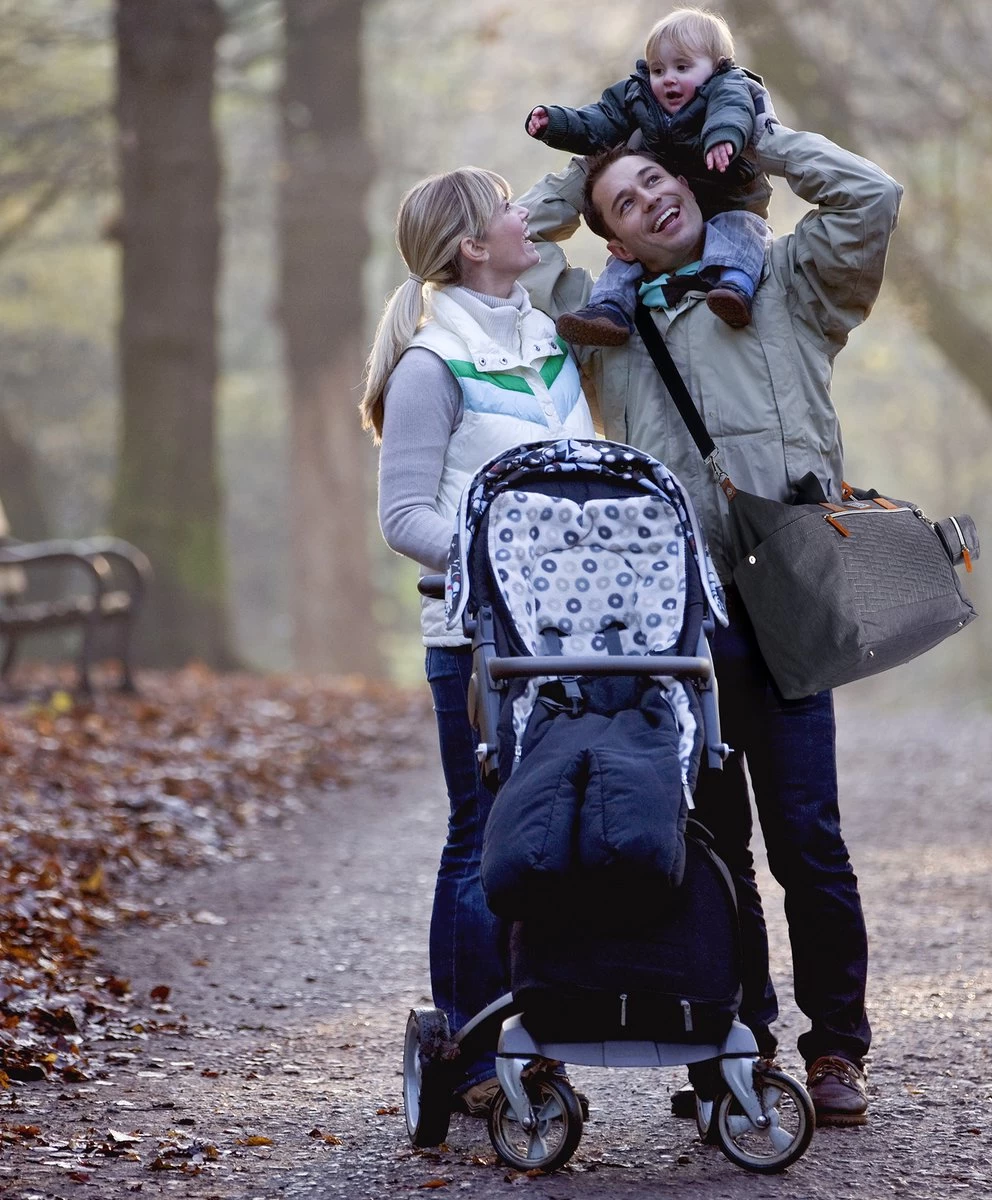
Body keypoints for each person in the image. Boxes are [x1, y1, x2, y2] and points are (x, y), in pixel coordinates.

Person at [515, 126, 903, 1126]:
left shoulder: (788, 283)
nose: (649, 200)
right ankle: (733, 1043)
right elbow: (517, 238)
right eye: (624, 204)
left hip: (792, 598)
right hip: (683, 617)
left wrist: (756, 143)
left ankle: (836, 1051)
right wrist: (590, 154)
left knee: (808, 837)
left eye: (656, 180)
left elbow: (873, 199)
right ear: (616, 243)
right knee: (713, 841)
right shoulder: (601, 325)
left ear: (687, 183)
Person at [359, 167, 594, 1117]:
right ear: (469, 244)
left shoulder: (540, 339)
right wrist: (512, 556)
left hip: (570, 638)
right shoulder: (429, 365)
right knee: (480, 837)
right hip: (476, 643)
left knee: (553, 840)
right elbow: (405, 516)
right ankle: (469, 1053)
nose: (522, 218)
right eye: (505, 208)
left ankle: (535, 1040)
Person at [525, 5, 774, 346]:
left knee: (743, 232)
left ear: (716, 67)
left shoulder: (728, 86)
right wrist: (556, 123)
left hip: (731, 195)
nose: (668, 78)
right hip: (678, 202)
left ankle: (735, 287)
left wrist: (723, 139)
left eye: (682, 67)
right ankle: (608, 309)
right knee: (624, 261)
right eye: (658, 69)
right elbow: (600, 121)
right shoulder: (639, 94)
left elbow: (731, 112)